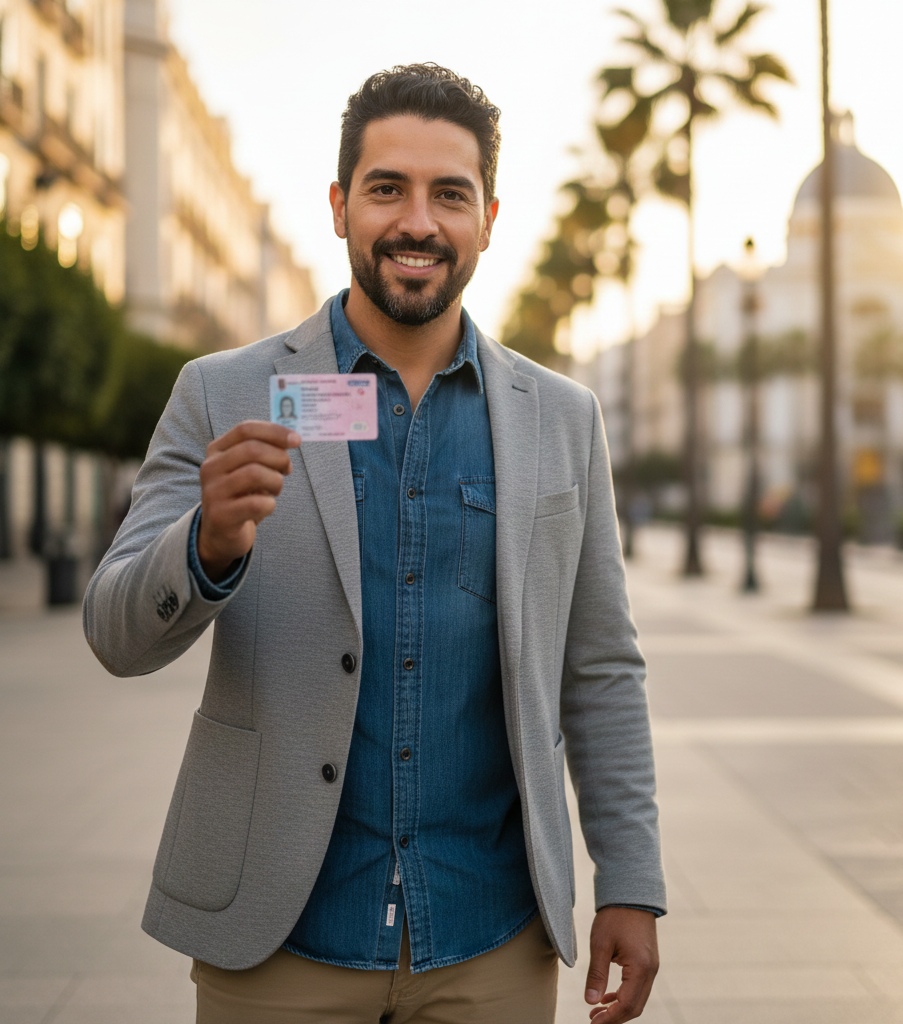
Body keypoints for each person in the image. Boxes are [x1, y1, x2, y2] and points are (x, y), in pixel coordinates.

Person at [83, 64, 665, 1024]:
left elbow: (600, 667)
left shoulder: (562, 419)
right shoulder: (222, 393)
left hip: (492, 939)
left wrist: (631, 881)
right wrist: (206, 544)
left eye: (451, 194)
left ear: (487, 217)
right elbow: (114, 632)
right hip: (279, 936)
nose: (418, 222)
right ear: (340, 206)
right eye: (387, 188)